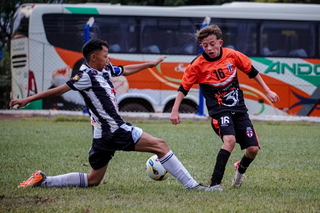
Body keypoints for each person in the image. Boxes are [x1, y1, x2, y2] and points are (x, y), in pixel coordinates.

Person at [10, 38, 207, 191]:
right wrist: (27, 99)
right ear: (94, 57)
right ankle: (193, 186)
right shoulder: (85, 75)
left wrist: (149, 64)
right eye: (105, 55)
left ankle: (44, 181)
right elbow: (59, 90)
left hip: (102, 135)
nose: (108, 59)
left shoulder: (104, 69)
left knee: (93, 180)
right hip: (114, 129)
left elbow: (125, 70)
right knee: (160, 145)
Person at [170, 25, 280, 191]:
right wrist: (175, 110)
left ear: (220, 42)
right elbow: (183, 88)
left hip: (239, 109)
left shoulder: (232, 56)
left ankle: (240, 170)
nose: (209, 48)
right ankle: (215, 184)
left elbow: (252, 71)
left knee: (253, 149)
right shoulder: (197, 65)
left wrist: (267, 90)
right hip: (219, 110)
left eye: (212, 44)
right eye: (205, 45)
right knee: (230, 140)